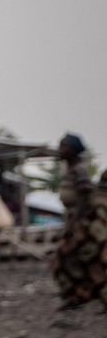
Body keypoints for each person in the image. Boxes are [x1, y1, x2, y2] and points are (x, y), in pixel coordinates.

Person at [52, 133, 107, 310]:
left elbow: (84, 196)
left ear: (73, 150)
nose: (59, 150)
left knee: (72, 256)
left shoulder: (79, 169)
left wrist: (75, 223)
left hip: (87, 221)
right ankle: (77, 296)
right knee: (84, 259)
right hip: (79, 219)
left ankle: (77, 296)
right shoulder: (71, 169)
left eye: (63, 146)